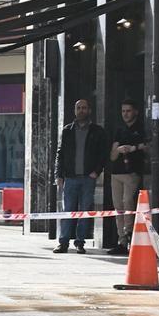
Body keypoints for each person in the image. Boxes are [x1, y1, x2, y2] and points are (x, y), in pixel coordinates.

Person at [54, 98, 107, 254]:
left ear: (89, 110)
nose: (81, 110)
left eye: (84, 108)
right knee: (68, 210)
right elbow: (60, 154)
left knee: (84, 211)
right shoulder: (67, 130)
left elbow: (102, 155)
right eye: (78, 108)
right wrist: (59, 174)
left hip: (87, 178)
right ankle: (63, 242)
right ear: (75, 110)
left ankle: (80, 243)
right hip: (70, 178)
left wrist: (96, 172)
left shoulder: (97, 131)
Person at [107, 98, 150, 256]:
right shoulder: (119, 130)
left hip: (132, 172)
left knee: (128, 203)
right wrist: (117, 150)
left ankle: (131, 237)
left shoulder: (141, 128)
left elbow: (148, 147)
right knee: (118, 207)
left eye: (128, 111)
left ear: (135, 112)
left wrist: (133, 148)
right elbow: (111, 156)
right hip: (116, 173)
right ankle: (121, 240)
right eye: (123, 111)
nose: (126, 114)